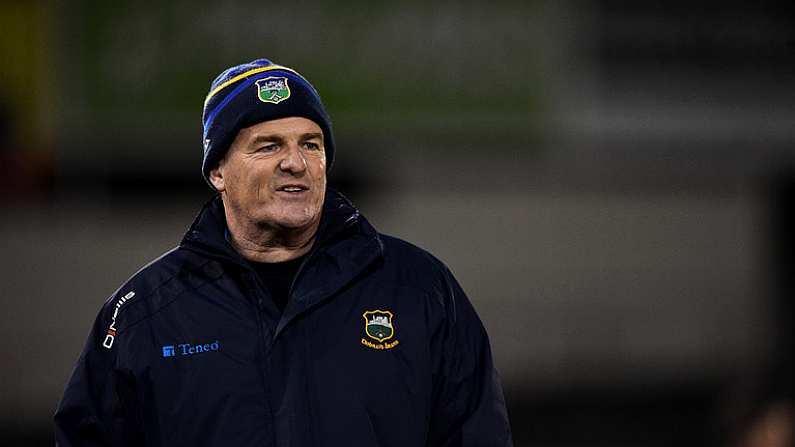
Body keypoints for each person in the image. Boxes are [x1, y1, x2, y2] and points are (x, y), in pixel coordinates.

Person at [54, 59, 513, 446]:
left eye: (310, 145)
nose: (295, 162)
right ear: (217, 171)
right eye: (268, 145)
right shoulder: (144, 316)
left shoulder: (419, 289)